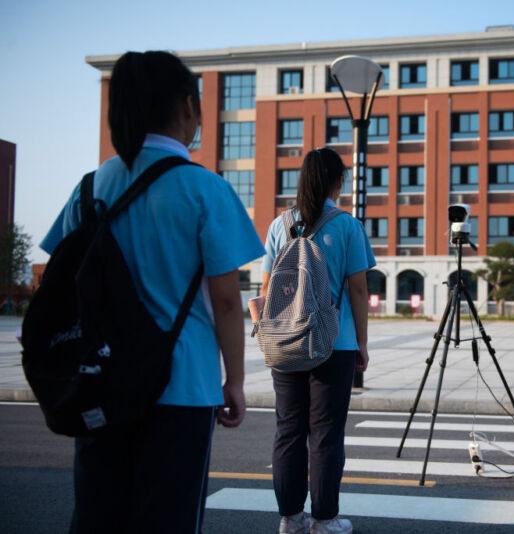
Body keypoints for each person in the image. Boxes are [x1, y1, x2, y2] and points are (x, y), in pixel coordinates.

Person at [41, 51, 265, 532]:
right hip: (182, 385)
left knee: (99, 517)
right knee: (167, 520)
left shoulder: (90, 187)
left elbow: (57, 278)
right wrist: (236, 381)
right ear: (188, 106)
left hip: (100, 379)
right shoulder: (204, 188)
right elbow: (227, 301)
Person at [261, 147, 375, 534]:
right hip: (333, 343)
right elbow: (358, 289)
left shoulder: (280, 224)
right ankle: (324, 520)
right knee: (325, 434)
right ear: (337, 181)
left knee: (288, 431)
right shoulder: (346, 225)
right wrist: (361, 342)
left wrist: (269, 334)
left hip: (285, 343)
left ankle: (290, 519)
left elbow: (266, 286)